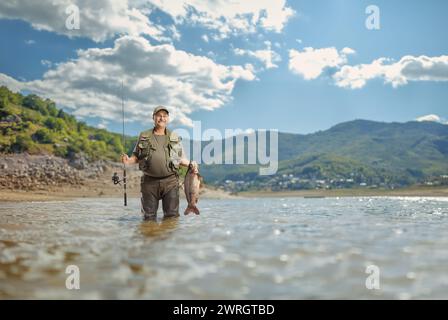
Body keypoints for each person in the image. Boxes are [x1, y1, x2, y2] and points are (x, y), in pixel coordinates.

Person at [121, 106, 198, 219]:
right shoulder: (144, 135)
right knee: (148, 217)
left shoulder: (174, 137)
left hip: (171, 182)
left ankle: (168, 237)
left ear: (168, 118)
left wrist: (191, 163)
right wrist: (128, 161)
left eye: (164, 116)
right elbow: (136, 157)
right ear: (153, 118)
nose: (161, 118)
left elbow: (181, 159)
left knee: (172, 217)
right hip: (149, 182)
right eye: (159, 116)